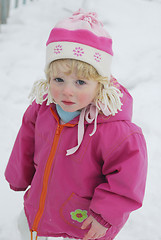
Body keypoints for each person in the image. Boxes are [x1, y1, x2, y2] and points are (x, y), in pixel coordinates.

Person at [5, 8, 148, 240]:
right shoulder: (42, 109)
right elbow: (25, 145)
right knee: (28, 229)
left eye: (80, 82)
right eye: (58, 79)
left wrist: (105, 215)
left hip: (85, 222)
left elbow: (127, 180)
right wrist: (18, 177)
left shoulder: (116, 131)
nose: (67, 91)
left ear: (100, 85)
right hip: (44, 207)